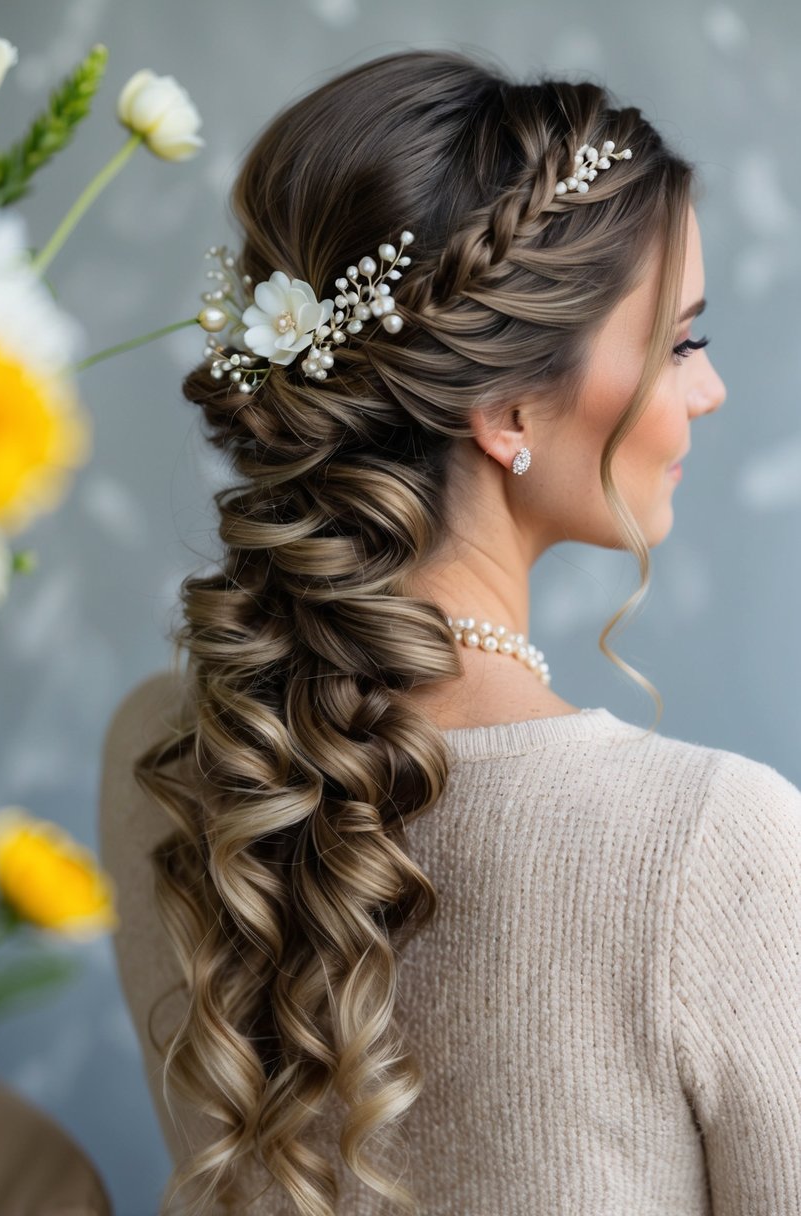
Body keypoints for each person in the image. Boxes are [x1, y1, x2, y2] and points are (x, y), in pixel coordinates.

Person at [98, 48, 801, 1216]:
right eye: (679, 341)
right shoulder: (710, 852)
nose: (709, 389)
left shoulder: (166, 758)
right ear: (505, 406)